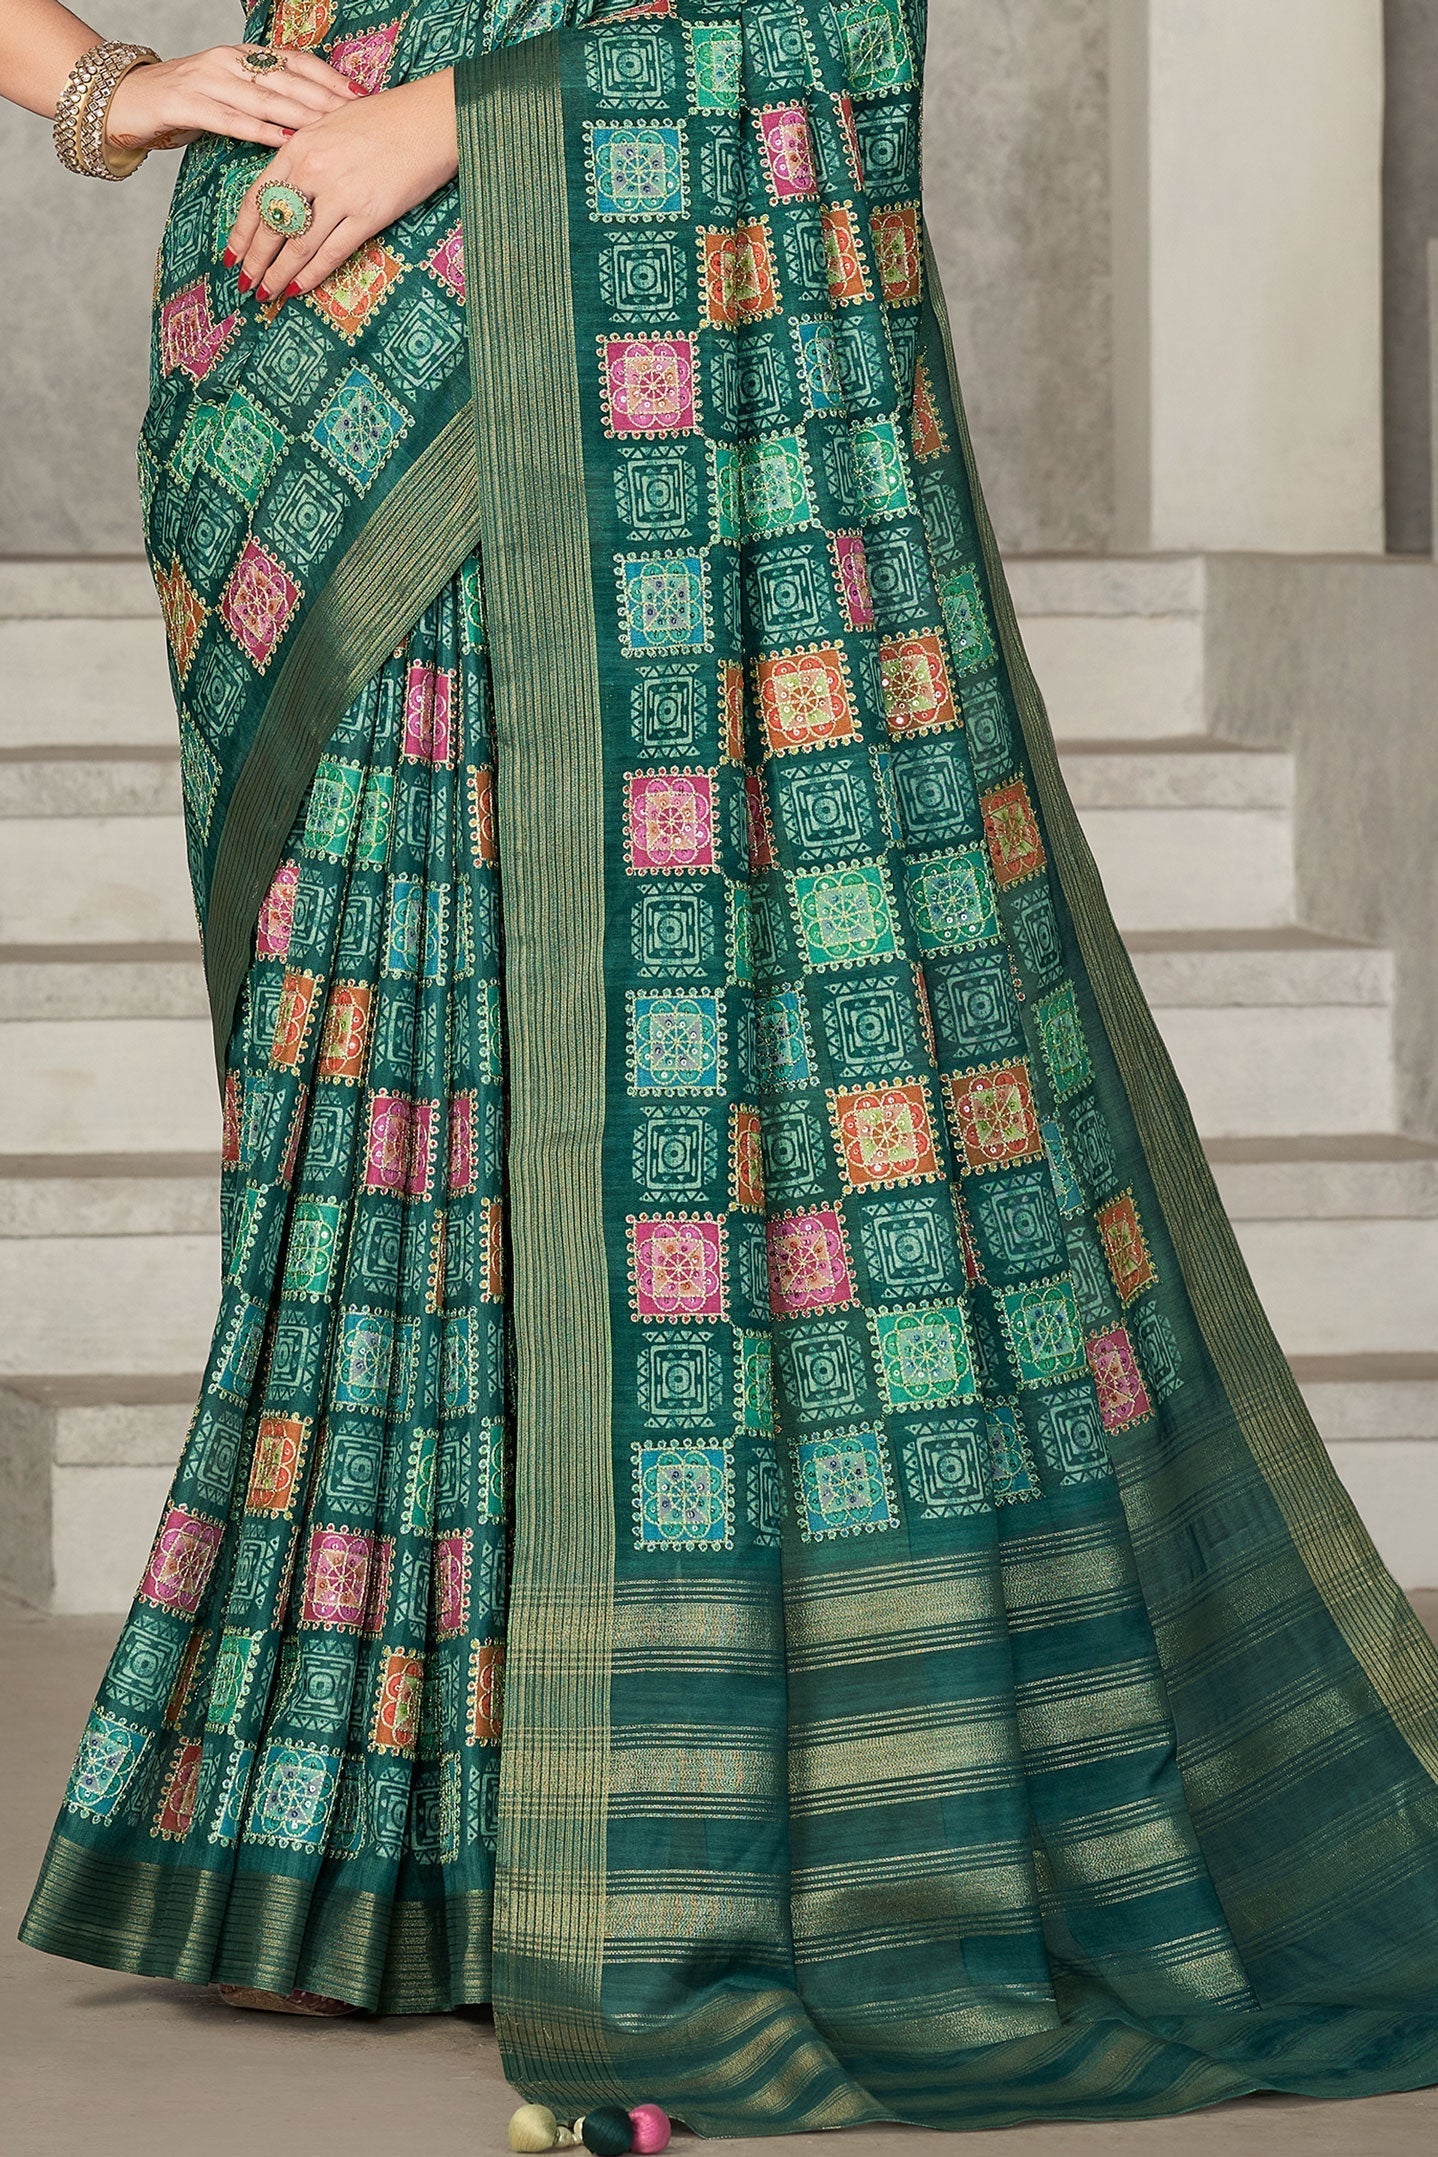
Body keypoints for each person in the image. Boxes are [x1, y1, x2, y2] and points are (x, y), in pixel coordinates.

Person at [9, 0, 1438, 2136]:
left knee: (672, 1083)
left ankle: (635, 1831)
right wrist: (110, 88)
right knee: (389, 1085)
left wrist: (461, 117)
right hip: (330, 366)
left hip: (610, 278)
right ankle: (376, 1839)